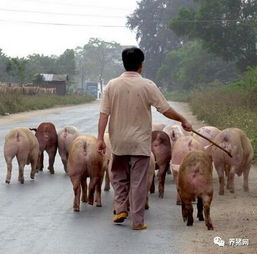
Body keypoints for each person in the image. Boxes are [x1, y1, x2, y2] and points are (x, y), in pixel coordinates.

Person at [97, 47, 192, 230]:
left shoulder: (111, 85)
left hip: (118, 142)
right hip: (140, 143)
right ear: (141, 65)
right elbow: (165, 109)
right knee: (139, 182)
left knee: (118, 178)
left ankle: (121, 209)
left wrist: (101, 138)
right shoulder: (148, 85)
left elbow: (103, 115)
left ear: (124, 64)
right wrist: (183, 120)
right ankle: (137, 221)